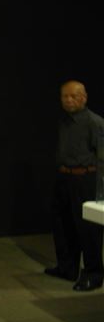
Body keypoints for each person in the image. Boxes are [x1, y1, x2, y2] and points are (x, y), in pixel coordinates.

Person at [45, 80, 104, 292]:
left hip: (85, 180)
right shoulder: (64, 121)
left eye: (73, 96)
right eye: (65, 96)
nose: (68, 100)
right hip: (64, 178)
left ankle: (94, 274)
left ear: (84, 97)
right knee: (63, 223)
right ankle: (67, 267)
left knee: (88, 229)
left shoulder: (95, 122)